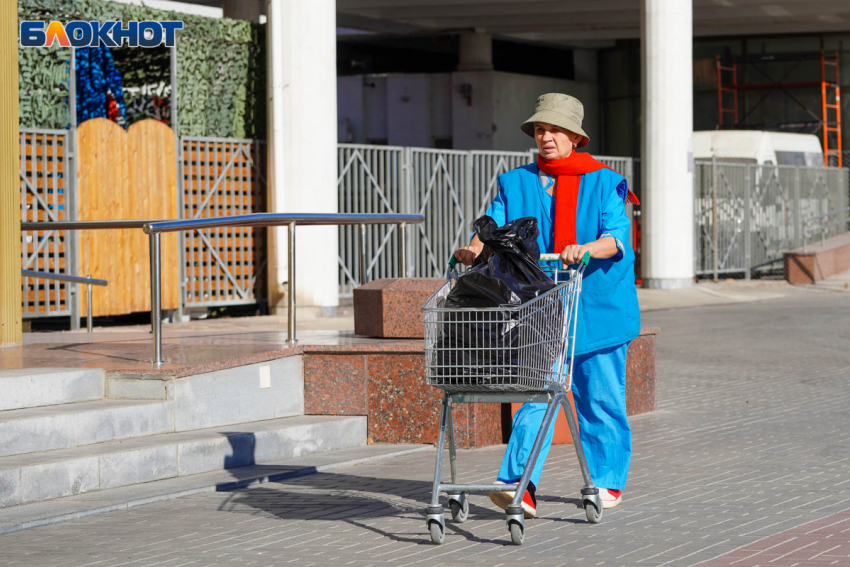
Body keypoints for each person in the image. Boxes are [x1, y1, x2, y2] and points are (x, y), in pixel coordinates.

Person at [453, 93, 641, 519]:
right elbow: (492, 228)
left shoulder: (604, 181)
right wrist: (471, 249)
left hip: (598, 307)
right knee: (535, 394)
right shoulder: (514, 182)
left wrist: (587, 247)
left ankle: (607, 478)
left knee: (600, 397)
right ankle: (517, 483)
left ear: (575, 136)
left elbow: (617, 237)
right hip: (540, 307)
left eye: (555, 129)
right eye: (540, 129)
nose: (546, 136)